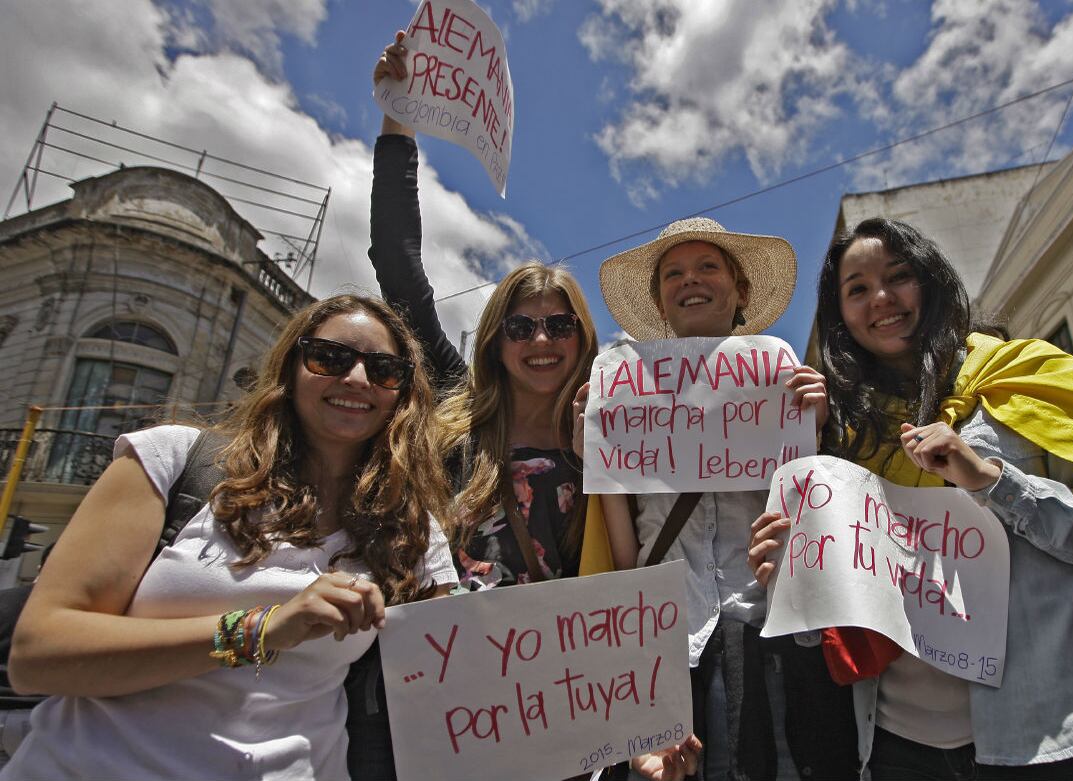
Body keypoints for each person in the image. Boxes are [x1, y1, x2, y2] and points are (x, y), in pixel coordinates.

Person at [748, 217, 1073, 780]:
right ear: (840, 316)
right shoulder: (841, 439)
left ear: (932, 281)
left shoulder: (1026, 374)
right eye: (857, 289)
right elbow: (850, 615)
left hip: (1062, 734)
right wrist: (797, 581)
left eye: (898, 276)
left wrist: (992, 481)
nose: (881, 299)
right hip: (899, 747)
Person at [0, 294, 458, 780]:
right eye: (330, 358)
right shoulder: (170, 460)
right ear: (290, 368)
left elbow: (443, 683)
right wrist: (260, 630)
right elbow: (38, 657)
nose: (356, 379)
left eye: (384, 369)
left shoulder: (415, 533)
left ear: (403, 394)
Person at [349, 31, 620, 781]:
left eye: (559, 324)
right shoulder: (456, 409)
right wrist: (397, 119)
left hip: (549, 708)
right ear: (496, 340)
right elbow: (398, 264)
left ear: (582, 337)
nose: (541, 339)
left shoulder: (613, 437)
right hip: (424, 702)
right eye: (521, 324)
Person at [590, 217, 858, 780]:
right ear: (660, 301)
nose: (691, 280)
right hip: (666, 647)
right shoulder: (622, 384)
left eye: (708, 266)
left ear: (739, 290)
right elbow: (625, 552)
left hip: (770, 637)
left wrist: (818, 427)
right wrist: (592, 449)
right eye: (673, 274)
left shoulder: (781, 376)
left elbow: (815, 517)